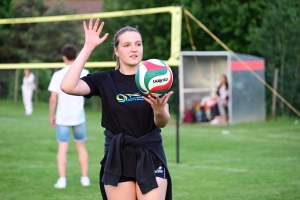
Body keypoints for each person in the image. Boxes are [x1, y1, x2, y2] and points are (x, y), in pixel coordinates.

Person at [60, 18, 173, 200]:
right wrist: (88, 47)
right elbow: (67, 86)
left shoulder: (155, 78)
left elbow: (163, 122)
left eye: (138, 44)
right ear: (116, 50)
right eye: (127, 45)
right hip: (117, 157)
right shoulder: (104, 80)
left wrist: (159, 110)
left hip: (150, 154)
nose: (134, 49)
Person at [48, 44, 90, 189]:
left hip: (62, 118)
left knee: (62, 148)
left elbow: (53, 98)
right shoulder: (84, 72)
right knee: (81, 147)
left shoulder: (58, 74)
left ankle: (62, 180)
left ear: (63, 57)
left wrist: (51, 116)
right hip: (79, 117)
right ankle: (85, 178)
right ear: (76, 55)